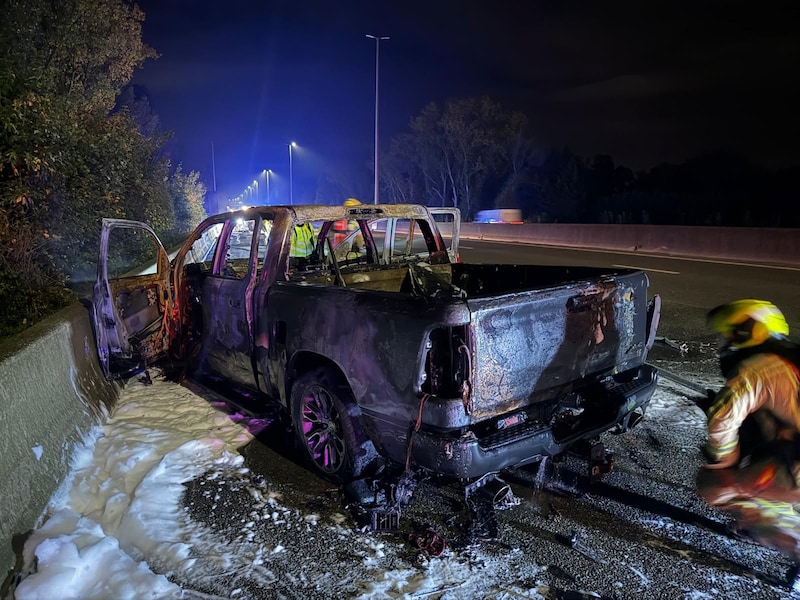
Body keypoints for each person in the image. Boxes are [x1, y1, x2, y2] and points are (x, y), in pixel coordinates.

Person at [697, 299, 800, 566]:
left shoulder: (759, 367)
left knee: (712, 485)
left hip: (793, 470)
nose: (727, 342)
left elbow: (722, 417)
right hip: (790, 458)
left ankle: (781, 533)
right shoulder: (789, 359)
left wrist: (723, 459)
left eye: (731, 333)